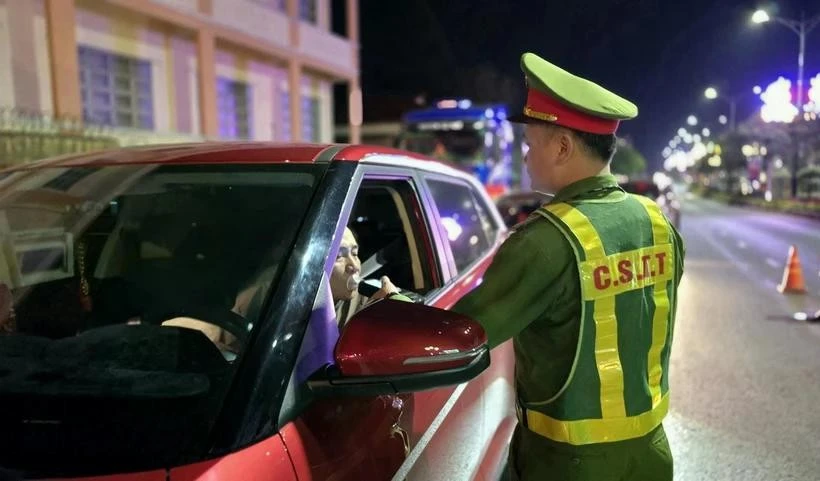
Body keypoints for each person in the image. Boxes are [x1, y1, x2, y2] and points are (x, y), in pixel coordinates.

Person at [451, 52, 685, 481]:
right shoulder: (657, 224)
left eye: (529, 144)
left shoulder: (546, 241)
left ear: (562, 146)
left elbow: (459, 335)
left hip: (570, 464)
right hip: (651, 453)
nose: (525, 157)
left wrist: (397, 306)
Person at [331, 226, 405, 327]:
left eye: (355, 254)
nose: (355, 266)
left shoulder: (369, 303)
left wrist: (394, 305)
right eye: (338, 256)